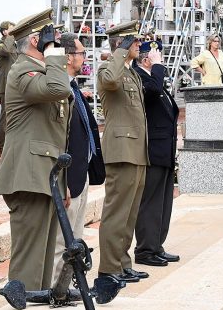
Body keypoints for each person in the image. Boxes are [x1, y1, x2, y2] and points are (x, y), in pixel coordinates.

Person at [0, 9, 72, 291]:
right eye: (53, 37)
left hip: (45, 173)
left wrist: (62, 182)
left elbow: (55, 130)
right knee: (30, 262)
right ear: (37, 41)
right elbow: (59, 88)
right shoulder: (23, 69)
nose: (58, 41)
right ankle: (22, 309)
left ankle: (36, 303)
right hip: (28, 173)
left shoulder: (43, 70)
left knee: (44, 258)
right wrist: (53, 54)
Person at [96, 20, 149, 288]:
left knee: (130, 214)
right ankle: (108, 268)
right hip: (121, 150)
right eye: (134, 41)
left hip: (137, 150)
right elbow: (110, 82)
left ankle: (122, 263)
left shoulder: (132, 72)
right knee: (116, 212)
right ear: (122, 44)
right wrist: (119, 52)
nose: (139, 45)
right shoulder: (109, 68)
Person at [51, 32, 105, 284]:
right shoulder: (60, 88)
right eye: (81, 52)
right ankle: (55, 287)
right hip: (70, 174)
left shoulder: (73, 86)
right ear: (68, 56)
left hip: (81, 170)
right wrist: (64, 181)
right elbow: (60, 137)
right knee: (64, 238)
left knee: (76, 235)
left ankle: (69, 286)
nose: (84, 57)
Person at [133, 40, 180, 267]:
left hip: (164, 149)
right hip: (152, 149)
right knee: (150, 202)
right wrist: (158, 68)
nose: (160, 58)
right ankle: (145, 250)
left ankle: (156, 245)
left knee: (163, 202)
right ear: (145, 59)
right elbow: (151, 93)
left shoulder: (153, 77)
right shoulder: (140, 77)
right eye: (156, 55)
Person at [0, 21, 17, 155]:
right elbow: (6, 51)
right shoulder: (1, 44)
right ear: (4, 31)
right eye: (12, 29)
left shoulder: (14, 44)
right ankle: (3, 148)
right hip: (6, 86)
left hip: (15, 85)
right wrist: (10, 36)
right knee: (6, 118)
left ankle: (13, 145)